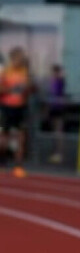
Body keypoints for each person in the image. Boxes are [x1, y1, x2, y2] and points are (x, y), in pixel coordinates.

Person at [0, 46, 34, 174]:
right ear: (13, 58)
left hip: (21, 108)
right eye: (19, 57)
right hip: (6, 107)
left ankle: (18, 165)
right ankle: (2, 159)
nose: (21, 59)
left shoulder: (25, 72)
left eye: (22, 57)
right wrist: (12, 89)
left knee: (21, 136)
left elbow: (30, 90)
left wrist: (28, 89)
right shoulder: (6, 72)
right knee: (5, 136)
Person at [45, 63, 67, 164]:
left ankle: (59, 153)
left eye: (56, 72)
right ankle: (55, 152)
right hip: (53, 108)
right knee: (55, 131)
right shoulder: (53, 82)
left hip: (58, 108)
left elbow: (58, 91)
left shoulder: (59, 81)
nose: (54, 74)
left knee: (58, 131)